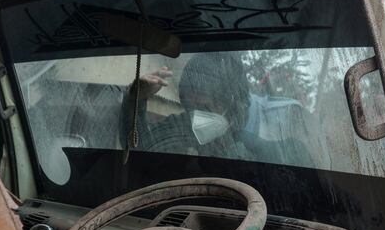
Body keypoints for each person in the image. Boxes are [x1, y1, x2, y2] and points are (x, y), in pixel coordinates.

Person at [126, 54, 314, 167]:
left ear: (231, 104)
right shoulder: (183, 124)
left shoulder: (273, 138)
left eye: (203, 107)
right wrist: (138, 99)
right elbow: (139, 147)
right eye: (189, 107)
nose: (194, 117)